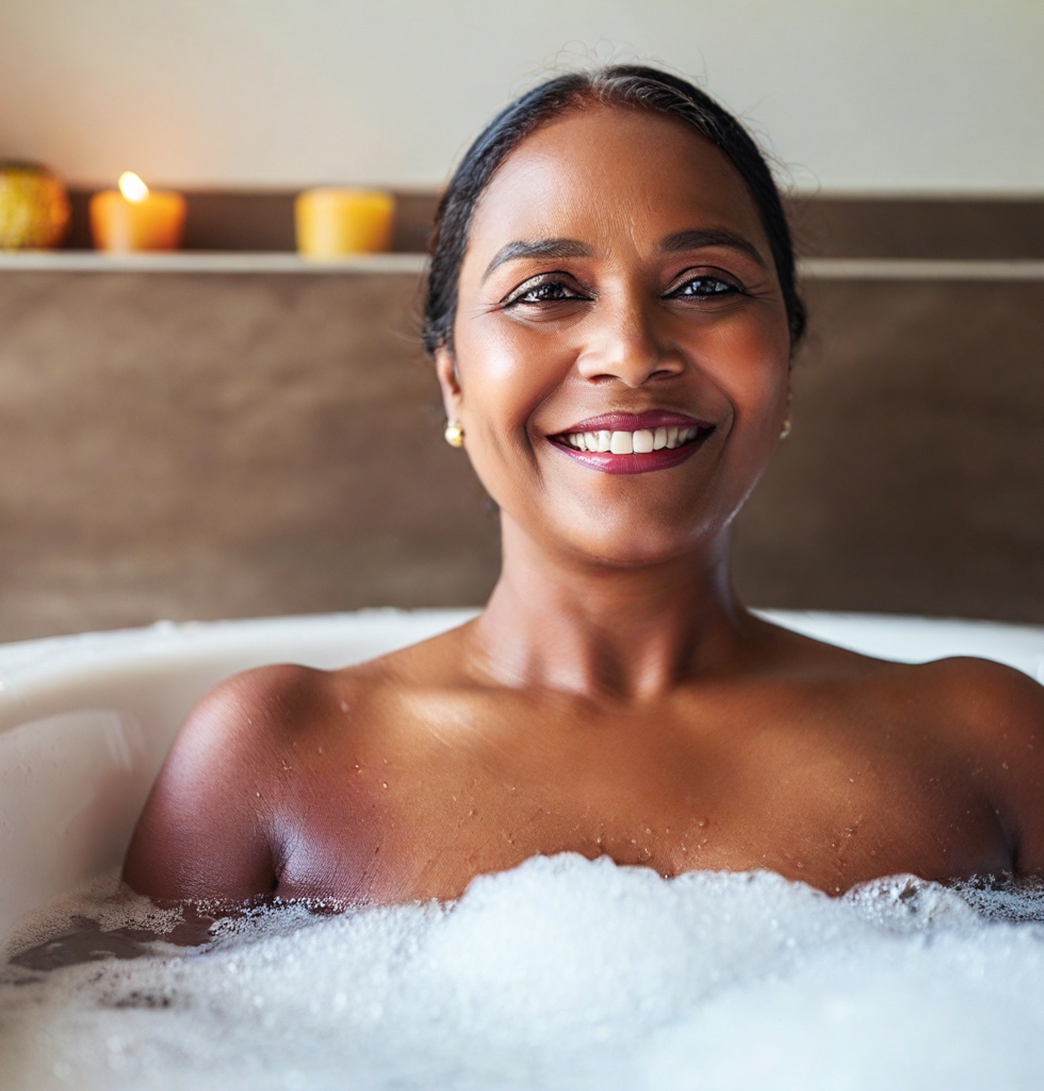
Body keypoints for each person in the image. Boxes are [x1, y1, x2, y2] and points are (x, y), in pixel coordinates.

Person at [123, 66, 1044, 906]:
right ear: (452, 376)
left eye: (704, 284)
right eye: (547, 291)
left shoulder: (987, 744)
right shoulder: (273, 753)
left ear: (786, 364)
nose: (631, 352)